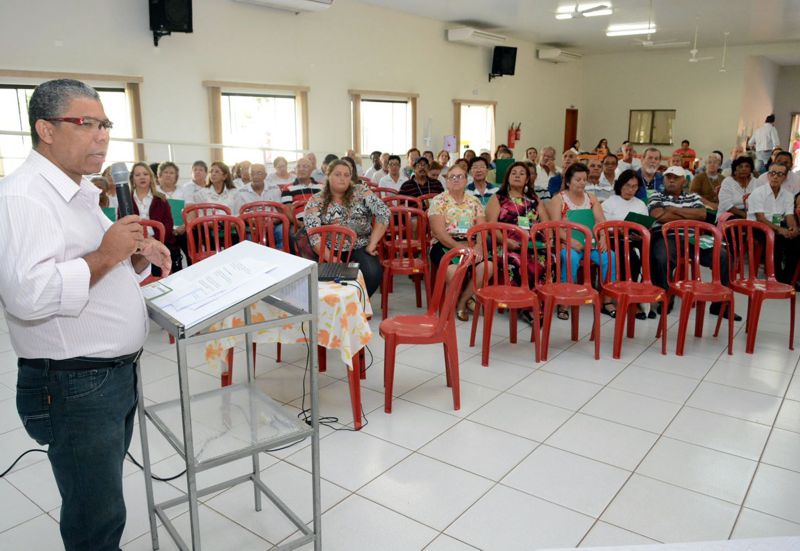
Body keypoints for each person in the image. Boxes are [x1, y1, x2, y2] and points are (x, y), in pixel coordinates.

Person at [0, 78, 170, 551]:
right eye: (86, 123)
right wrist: (107, 254)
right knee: (95, 516)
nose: (102, 136)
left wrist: (133, 257)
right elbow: (28, 297)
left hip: (105, 376)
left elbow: (96, 269)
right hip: (73, 383)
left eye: (105, 124)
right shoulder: (24, 196)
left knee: (103, 499)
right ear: (46, 130)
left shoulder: (77, 192)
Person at [647, 166, 740, 320]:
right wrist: (688, 218)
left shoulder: (693, 197)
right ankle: (665, 295)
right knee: (660, 257)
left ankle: (720, 305)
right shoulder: (656, 195)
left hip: (692, 238)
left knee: (723, 256)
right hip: (666, 236)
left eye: (675, 177)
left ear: (684, 181)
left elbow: (702, 214)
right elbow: (659, 216)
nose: (671, 180)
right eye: (668, 177)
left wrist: (671, 209)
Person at [303, 160, 389, 296]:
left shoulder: (361, 191)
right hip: (329, 247)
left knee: (373, 273)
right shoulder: (316, 200)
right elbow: (314, 237)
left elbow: (383, 213)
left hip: (360, 244)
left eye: (346, 175)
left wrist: (372, 244)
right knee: (327, 283)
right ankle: (339, 306)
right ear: (328, 175)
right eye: (337, 174)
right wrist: (333, 260)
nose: (342, 178)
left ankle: (358, 305)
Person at [548, 162, 616, 319]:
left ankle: (606, 300)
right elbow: (556, 227)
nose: (582, 183)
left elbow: (601, 222)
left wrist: (603, 237)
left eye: (584, 179)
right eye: (578, 179)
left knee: (610, 257)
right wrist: (571, 241)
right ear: (568, 181)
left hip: (591, 244)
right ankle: (564, 302)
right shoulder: (559, 199)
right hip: (568, 243)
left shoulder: (591, 198)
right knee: (569, 258)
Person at [427, 163, 491, 321]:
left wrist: (478, 246)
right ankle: (455, 301)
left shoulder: (474, 201)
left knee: (488, 267)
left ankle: (463, 300)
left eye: (459, 176)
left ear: (466, 180)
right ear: (447, 181)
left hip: (471, 244)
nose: (455, 179)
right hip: (444, 244)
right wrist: (460, 248)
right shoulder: (438, 201)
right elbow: (439, 233)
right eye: (451, 177)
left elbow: (482, 228)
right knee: (454, 271)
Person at [485, 161, 550, 302]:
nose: (517, 176)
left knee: (551, 260)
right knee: (518, 261)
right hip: (506, 244)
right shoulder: (498, 198)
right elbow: (491, 226)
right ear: (507, 178)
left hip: (534, 244)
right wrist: (505, 241)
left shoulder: (534, 199)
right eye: (513, 173)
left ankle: (539, 300)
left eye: (521, 174)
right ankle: (522, 303)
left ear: (527, 179)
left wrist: (546, 239)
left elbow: (545, 223)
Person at [602, 170, 651, 317]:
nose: (631, 190)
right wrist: (619, 231)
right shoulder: (610, 202)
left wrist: (639, 233)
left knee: (651, 256)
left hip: (635, 239)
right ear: (620, 185)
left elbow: (645, 226)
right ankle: (630, 299)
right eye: (628, 186)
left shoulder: (640, 204)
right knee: (632, 258)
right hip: (614, 239)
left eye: (635, 187)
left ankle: (643, 296)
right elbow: (602, 227)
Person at [747, 162, 800, 283]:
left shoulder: (788, 195)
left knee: (797, 241)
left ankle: (787, 280)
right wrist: (780, 230)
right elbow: (760, 218)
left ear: (785, 177)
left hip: (776, 225)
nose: (775, 177)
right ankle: (775, 278)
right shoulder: (758, 192)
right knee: (776, 240)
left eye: (780, 174)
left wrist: (793, 228)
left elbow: (789, 215)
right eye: (773, 173)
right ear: (768, 175)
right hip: (757, 227)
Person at [130, 162, 175, 276]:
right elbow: (122, 224)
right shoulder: (126, 201)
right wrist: (141, 241)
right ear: (132, 179)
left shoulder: (161, 198)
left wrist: (155, 240)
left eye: (145, 174)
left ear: (151, 177)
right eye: (137, 175)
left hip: (159, 241)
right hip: (135, 244)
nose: (142, 177)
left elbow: (168, 225)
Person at [156, 161, 186, 272]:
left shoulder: (183, 191)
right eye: (165, 172)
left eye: (172, 173)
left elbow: (190, 211)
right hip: (162, 230)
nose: (168, 175)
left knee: (191, 241)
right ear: (159, 176)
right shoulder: (155, 192)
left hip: (181, 229)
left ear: (176, 177)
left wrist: (184, 226)